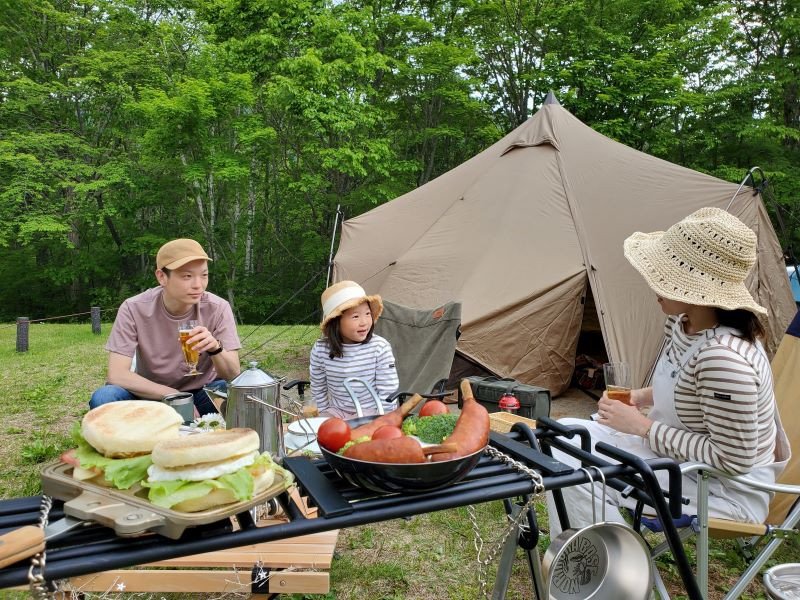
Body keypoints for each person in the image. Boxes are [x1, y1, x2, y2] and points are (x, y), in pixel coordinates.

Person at [547, 207, 790, 537]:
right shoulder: (682, 323)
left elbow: (734, 460)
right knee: (560, 436)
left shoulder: (724, 360)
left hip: (719, 491)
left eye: (665, 275)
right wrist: (640, 397)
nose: (653, 282)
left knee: (575, 465)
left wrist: (642, 427)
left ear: (698, 289)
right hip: (676, 463)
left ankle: (608, 559)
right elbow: (686, 386)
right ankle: (599, 550)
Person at [90, 239, 242, 416]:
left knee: (232, 391)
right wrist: (172, 395)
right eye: (187, 276)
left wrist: (215, 348)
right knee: (104, 397)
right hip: (150, 395)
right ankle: (147, 430)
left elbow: (233, 374)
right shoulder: (134, 308)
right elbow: (117, 374)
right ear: (161, 277)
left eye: (204, 275)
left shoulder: (218, 308)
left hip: (201, 395)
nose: (198, 285)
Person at [309, 280, 399, 419]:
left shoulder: (379, 347)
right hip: (337, 411)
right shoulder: (321, 350)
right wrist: (323, 413)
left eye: (367, 314)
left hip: (373, 410)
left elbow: (388, 390)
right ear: (335, 322)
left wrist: (382, 419)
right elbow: (318, 387)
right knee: (322, 427)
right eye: (355, 316)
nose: (364, 322)